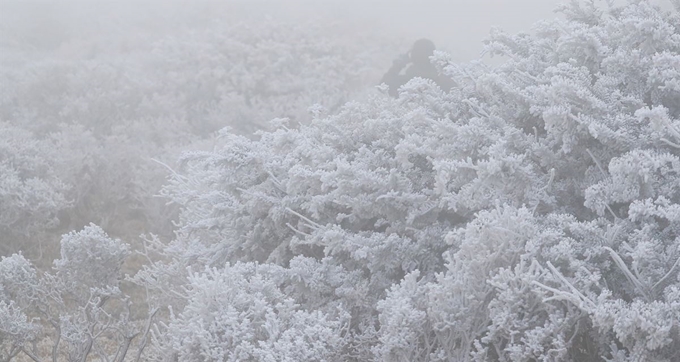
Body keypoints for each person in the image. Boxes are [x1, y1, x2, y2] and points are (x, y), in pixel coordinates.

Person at [380, 38, 454, 97]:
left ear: (413, 56)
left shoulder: (404, 82)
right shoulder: (444, 83)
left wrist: (398, 65)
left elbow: (383, 86)